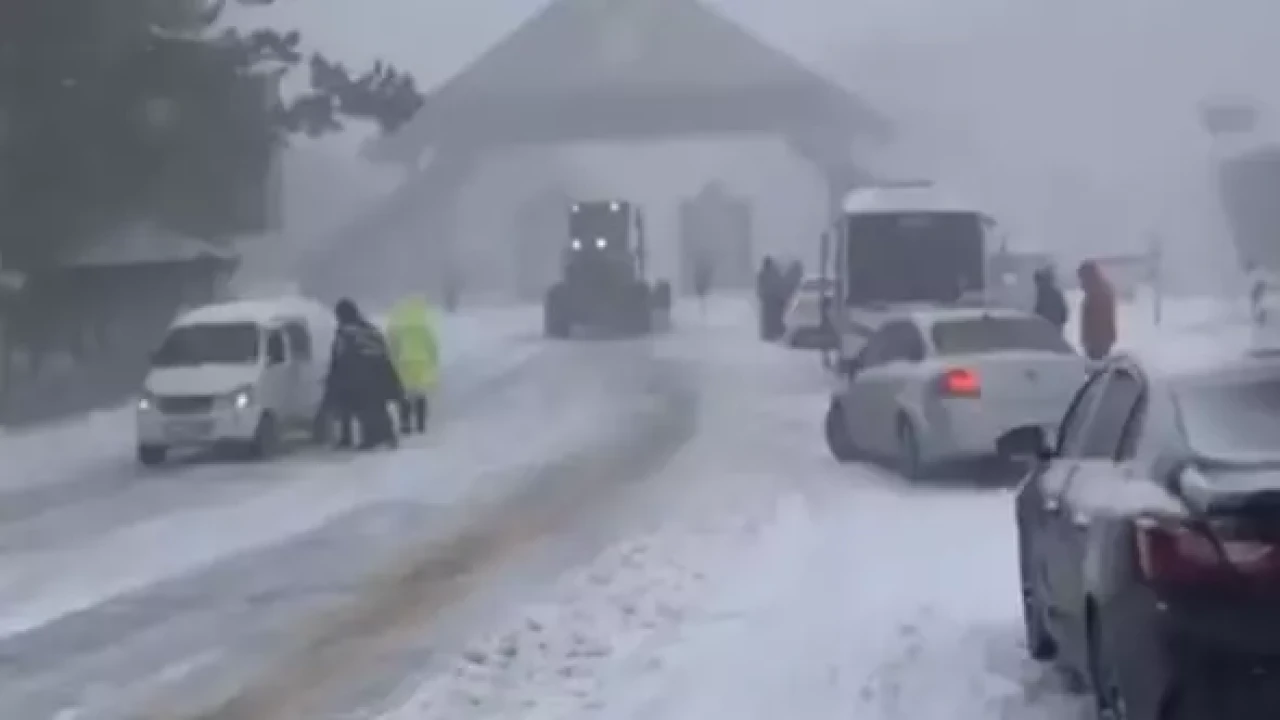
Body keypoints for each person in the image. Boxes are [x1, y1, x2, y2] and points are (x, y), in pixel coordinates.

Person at [325, 298, 403, 450]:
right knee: (377, 407)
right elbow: (383, 352)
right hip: (379, 374)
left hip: (356, 377)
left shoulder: (345, 333)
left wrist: (334, 379)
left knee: (357, 408)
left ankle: (363, 439)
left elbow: (340, 357)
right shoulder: (371, 330)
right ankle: (387, 436)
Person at [387, 294, 439, 435]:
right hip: (422, 363)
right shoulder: (424, 326)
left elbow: (393, 345)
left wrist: (393, 360)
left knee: (405, 395)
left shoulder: (400, 326)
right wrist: (434, 362)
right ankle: (420, 423)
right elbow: (432, 346)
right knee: (420, 394)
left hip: (404, 363)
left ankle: (405, 424)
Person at [1077, 260, 1117, 361]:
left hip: (1097, 341)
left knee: (1097, 367)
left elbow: (1098, 320)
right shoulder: (1097, 289)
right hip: (1099, 339)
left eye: (1081, 278)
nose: (1080, 281)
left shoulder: (1097, 292)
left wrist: (1088, 340)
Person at [756, 256, 784, 340]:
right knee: (773, 317)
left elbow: (760, 286)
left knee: (767, 318)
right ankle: (773, 333)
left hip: (768, 298)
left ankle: (767, 333)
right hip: (772, 298)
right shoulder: (774, 272)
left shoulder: (762, 273)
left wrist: (761, 294)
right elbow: (779, 283)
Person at [1032, 267, 1068, 332]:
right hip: (1053, 326)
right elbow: (1064, 312)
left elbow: (1038, 310)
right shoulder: (1054, 293)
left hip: (1049, 326)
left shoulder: (1044, 294)